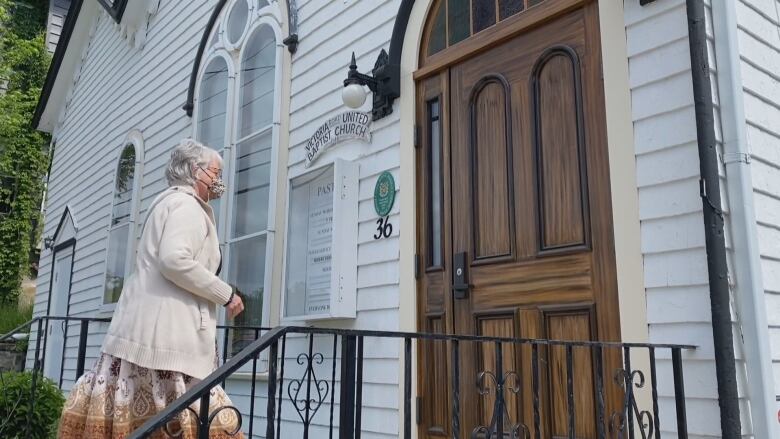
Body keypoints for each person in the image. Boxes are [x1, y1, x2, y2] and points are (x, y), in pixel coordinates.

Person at [58, 139, 246, 438]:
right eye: (215, 172)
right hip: (167, 342)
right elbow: (174, 260)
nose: (219, 180)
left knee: (145, 421)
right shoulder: (187, 207)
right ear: (196, 172)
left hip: (146, 335)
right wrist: (226, 294)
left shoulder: (168, 203)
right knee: (208, 423)